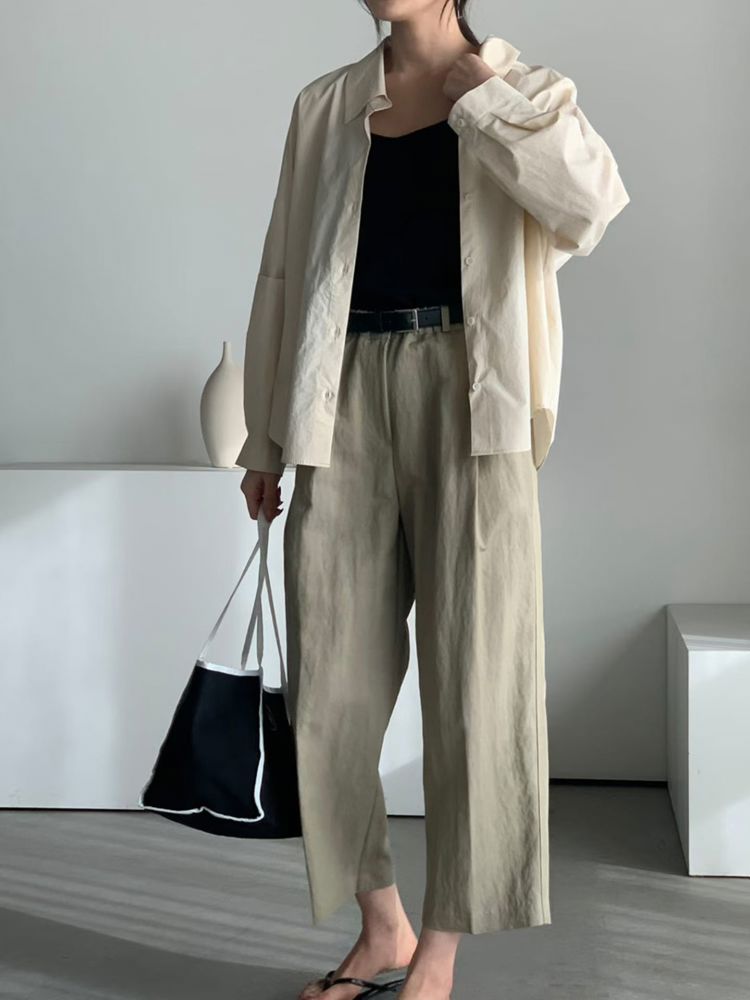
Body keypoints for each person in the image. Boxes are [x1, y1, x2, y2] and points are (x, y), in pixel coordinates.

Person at [237, 2, 630, 997]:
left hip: (474, 397)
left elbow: (591, 207)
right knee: (329, 685)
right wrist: (265, 435)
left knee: (478, 684)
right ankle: (383, 928)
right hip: (338, 395)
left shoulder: (525, 90)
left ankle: (441, 955)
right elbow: (284, 269)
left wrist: (483, 104)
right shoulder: (326, 105)